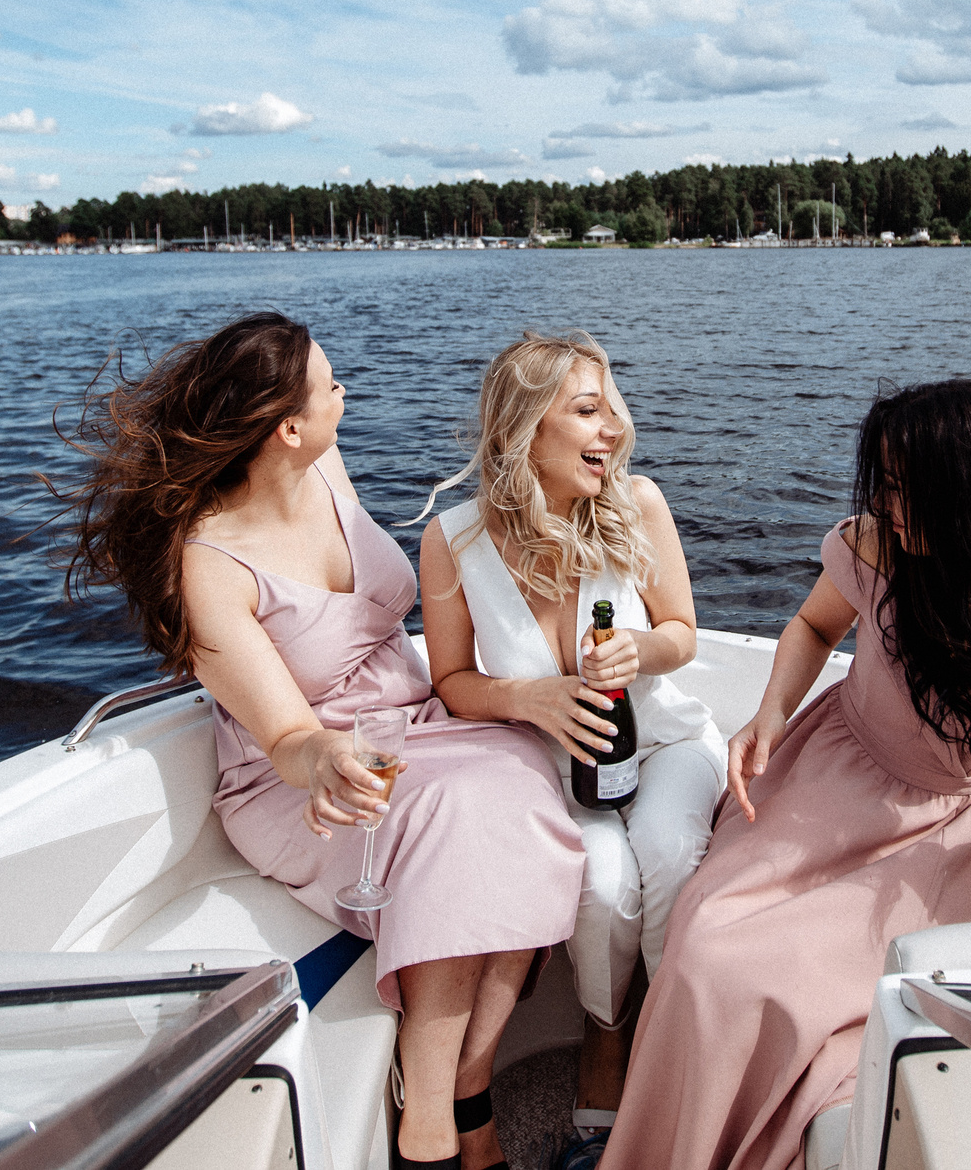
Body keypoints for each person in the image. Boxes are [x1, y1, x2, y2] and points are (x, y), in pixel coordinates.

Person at [62, 312, 583, 1170]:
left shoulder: (322, 462)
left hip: (412, 726)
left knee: (527, 768)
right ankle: (430, 1132)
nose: (346, 393)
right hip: (304, 781)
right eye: (330, 386)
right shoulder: (213, 566)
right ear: (287, 426)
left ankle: (465, 1079)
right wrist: (327, 759)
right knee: (454, 819)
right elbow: (289, 737)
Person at [602, 379, 971, 1170]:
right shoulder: (871, 549)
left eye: (907, 486)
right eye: (884, 483)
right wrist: (770, 714)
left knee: (784, 985)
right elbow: (815, 624)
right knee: (703, 946)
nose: (889, 504)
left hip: (940, 836)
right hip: (828, 776)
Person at [417, 332, 727, 1169]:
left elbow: (683, 632)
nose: (613, 432)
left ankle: (677, 1037)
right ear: (525, 427)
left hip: (664, 742)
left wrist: (640, 649)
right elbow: (449, 677)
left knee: (665, 849)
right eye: (588, 412)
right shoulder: (453, 541)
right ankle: (607, 1032)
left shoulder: (640, 504)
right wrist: (526, 697)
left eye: (611, 410)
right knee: (599, 881)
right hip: (551, 767)